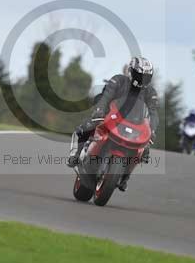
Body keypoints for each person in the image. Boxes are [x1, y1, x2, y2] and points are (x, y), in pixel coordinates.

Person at [67, 57, 159, 192]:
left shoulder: (150, 92)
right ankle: (75, 155)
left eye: (145, 77)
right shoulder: (119, 80)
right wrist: (99, 111)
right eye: (140, 75)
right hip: (110, 116)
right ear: (131, 71)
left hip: (134, 124)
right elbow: (106, 96)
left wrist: (152, 130)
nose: (142, 79)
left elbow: (153, 112)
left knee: (143, 150)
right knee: (83, 129)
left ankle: (125, 177)